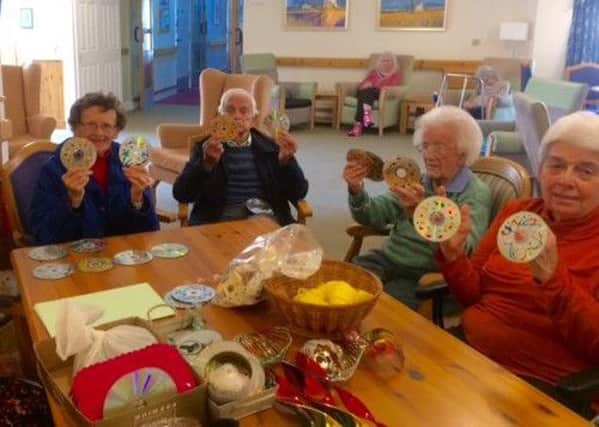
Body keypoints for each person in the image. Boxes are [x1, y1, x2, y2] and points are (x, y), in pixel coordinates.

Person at [436, 111, 599, 391]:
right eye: (556, 166)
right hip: (467, 353)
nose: (565, 180)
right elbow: (470, 295)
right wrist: (454, 257)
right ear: (541, 170)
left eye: (586, 171)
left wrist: (553, 280)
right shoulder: (518, 213)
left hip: (540, 385)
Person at [343, 106, 491, 309]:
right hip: (388, 261)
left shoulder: (475, 193)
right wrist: (357, 190)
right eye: (425, 146)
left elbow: (465, 249)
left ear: (462, 153)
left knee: (375, 305)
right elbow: (373, 214)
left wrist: (421, 213)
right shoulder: (419, 180)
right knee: (346, 282)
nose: (428, 155)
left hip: (427, 276)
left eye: (439, 147)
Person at [30, 92, 158, 245]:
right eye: (91, 125)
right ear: (75, 128)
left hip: (122, 256)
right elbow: (42, 235)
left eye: (106, 126)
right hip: (76, 258)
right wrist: (72, 202)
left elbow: (151, 232)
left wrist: (138, 200)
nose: (99, 133)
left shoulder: (131, 164)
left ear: (116, 131)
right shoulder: (54, 169)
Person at [173, 88, 308, 226]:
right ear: (221, 116)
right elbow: (182, 194)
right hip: (218, 218)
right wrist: (206, 164)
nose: (236, 116)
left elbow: (299, 192)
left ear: (253, 118)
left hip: (264, 216)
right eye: (230, 110)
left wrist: (287, 162)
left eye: (244, 111)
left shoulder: (271, 147)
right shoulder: (206, 147)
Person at [347, 52, 402, 137]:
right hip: (366, 93)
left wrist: (373, 85)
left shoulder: (395, 75)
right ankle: (366, 118)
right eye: (383, 60)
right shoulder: (374, 72)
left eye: (389, 60)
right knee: (367, 91)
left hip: (380, 95)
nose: (386, 62)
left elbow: (391, 87)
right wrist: (365, 85)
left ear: (393, 63)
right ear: (380, 62)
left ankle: (358, 125)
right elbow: (361, 85)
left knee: (369, 91)